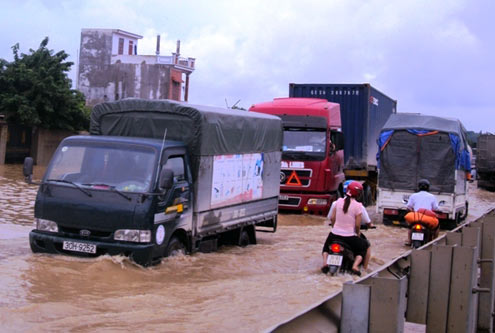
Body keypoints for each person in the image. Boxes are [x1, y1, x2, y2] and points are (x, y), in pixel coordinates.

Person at [322, 181, 371, 276]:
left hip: (334, 235)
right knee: (365, 247)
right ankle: (356, 266)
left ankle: (325, 262)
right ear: (359, 194)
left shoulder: (338, 202)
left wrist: (334, 227)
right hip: (350, 237)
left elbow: (332, 218)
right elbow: (357, 225)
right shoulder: (358, 206)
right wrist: (357, 233)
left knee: (325, 248)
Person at [404, 179, 439, 246]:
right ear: (428, 187)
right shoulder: (432, 196)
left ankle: (409, 240)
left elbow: (408, 206)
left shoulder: (413, 195)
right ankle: (434, 241)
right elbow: (436, 208)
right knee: (437, 227)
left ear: (419, 187)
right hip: (428, 219)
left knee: (410, 227)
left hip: (416, 218)